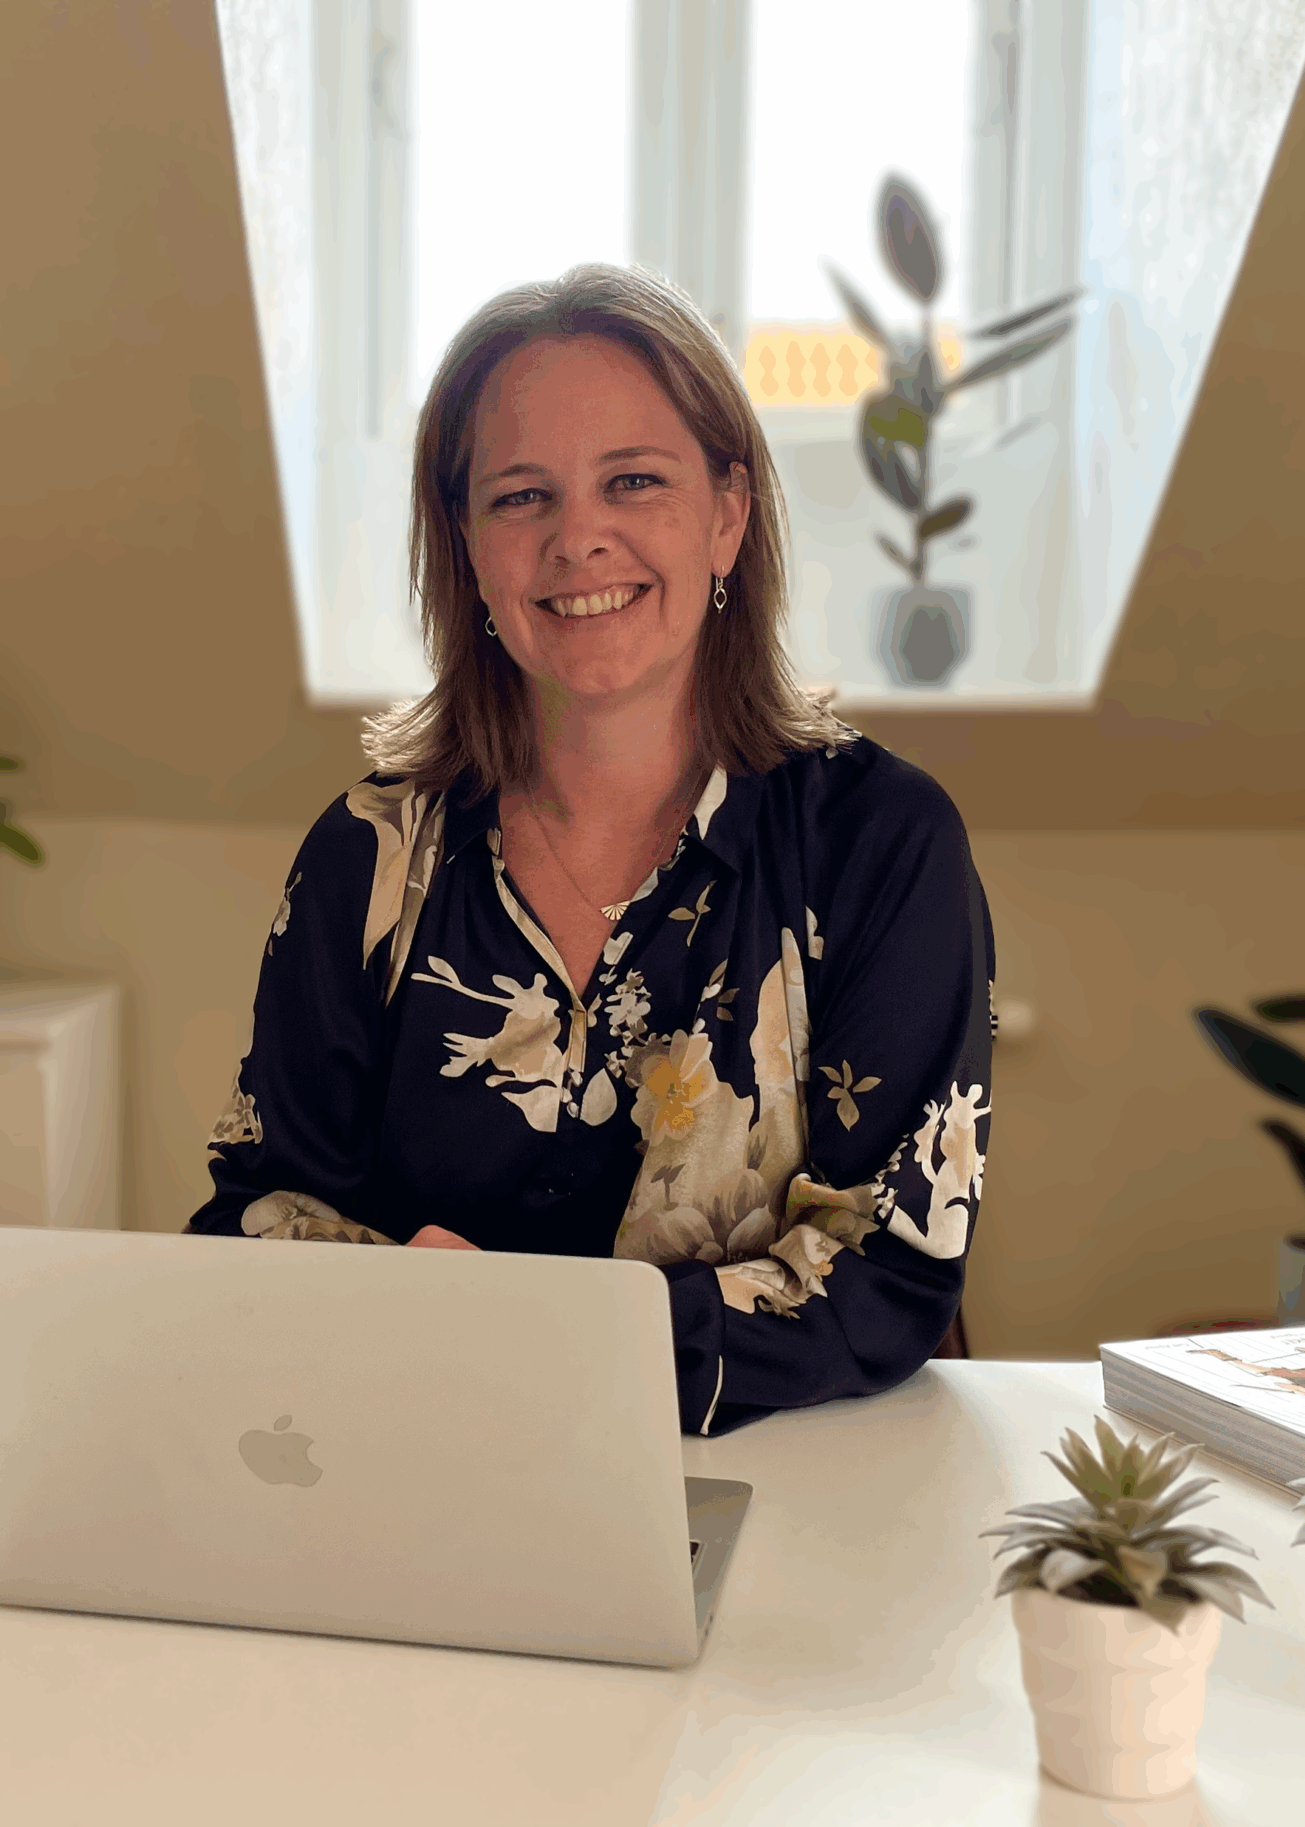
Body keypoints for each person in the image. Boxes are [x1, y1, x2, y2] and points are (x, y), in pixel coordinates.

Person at [190, 263, 996, 1435]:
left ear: (727, 513)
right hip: (411, 1471)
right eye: (521, 497)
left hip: (782, 1494)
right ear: (465, 544)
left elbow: (885, 1275)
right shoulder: (369, 853)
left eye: (634, 481)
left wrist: (532, 1337)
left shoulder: (880, 843)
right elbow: (259, 1219)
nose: (580, 541)